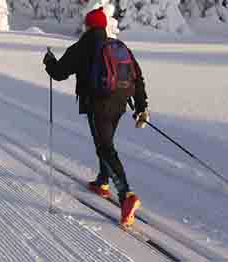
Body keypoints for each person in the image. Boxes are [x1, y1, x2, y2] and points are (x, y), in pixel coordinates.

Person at [43, 7, 149, 228]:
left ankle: (126, 195)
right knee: (105, 142)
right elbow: (137, 77)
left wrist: (49, 61)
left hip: (97, 104)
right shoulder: (118, 46)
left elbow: (59, 73)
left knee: (105, 148)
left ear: (89, 25)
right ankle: (102, 181)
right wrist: (141, 107)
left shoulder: (83, 46)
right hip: (119, 104)